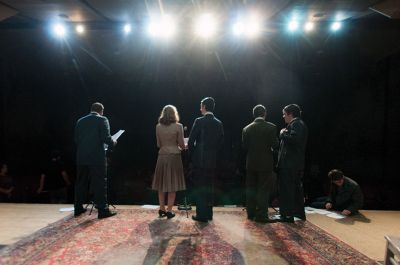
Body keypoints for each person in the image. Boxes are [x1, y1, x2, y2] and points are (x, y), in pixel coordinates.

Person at [74, 102, 117, 219]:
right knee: (100, 183)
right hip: (97, 158)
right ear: (101, 111)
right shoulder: (102, 119)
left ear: (91, 110)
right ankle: (103, 210)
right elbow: (106, 138)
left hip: (81, 157)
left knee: (80, 183)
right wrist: (113, 142)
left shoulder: (80, 121)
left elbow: (76, 139)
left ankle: (77, 208)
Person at [188, 97, 224, 222]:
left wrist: (192, 156)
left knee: (200, 187)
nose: (200, 109)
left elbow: (191, 140)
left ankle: (201, 214)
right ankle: (209, 214)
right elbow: (220, 143)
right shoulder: (218, 123)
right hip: (212, 160)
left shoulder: (199, 121)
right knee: (210, 187)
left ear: (204, 107)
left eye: (201, 106)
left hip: (200, 160)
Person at [242, 105, 279, 223]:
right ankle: (262, 215)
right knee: (263, 189)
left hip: (251, 162)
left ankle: (251, 213)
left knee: (251, 188)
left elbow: (244, 147)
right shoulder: (271, 127)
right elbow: (275, 145)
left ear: (254, 114)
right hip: (265, 163)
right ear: (265, 113)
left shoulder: (246, 128)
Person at [152, 105, 186, 219]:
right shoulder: (179, 126)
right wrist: (185, 145)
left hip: (162, 156)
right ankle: (169, 211)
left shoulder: (158, 126)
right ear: (174, 114)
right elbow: (182, 145)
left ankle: (161, 209)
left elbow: (158, 144)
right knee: (172, 184)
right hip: (174, 157)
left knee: (161, 184)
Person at [277, 104, 308, 223]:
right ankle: (298, 214)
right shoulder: (299, 124)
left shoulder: (296, 124)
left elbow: (293, 140)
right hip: (294, 164)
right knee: (295, 190)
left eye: (284, 114)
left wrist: (281, 133)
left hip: (289, 164)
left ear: (290, 114)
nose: (283, 116)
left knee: (287, 190)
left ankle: (286, 215)